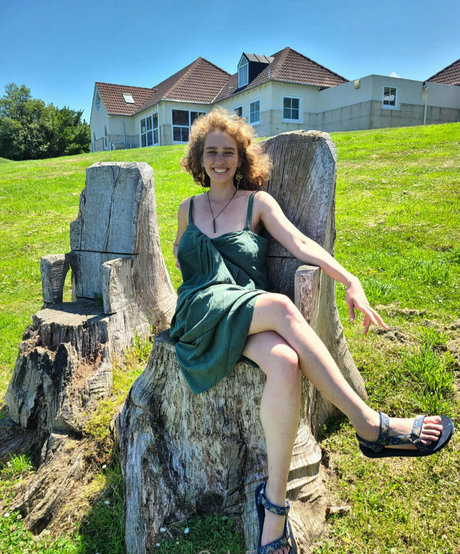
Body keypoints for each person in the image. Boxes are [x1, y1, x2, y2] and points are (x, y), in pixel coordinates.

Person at [169, 108, 453, 554]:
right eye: (211, 152)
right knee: (282, 306)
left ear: (241, 158)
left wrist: (349, 279)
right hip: (200, 311)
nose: (219, 160)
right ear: (199, 159)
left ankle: (274, 510)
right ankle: (370, 425)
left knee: (284, 362)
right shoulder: (186, 209)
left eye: (228, 152)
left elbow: (300, 243)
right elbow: (182, 259)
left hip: (244, 312)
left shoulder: (257, 203)